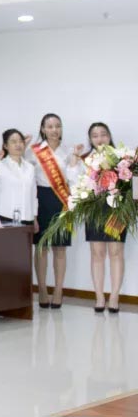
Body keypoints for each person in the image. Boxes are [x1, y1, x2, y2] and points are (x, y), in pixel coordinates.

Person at [26, 113, 82, 309]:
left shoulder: (69, 151)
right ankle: (42, 289)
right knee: (41, 247)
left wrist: (76, 159)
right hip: (40, 199)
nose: (54, 130)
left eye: (57, 126)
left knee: (60, 248)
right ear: (42, 129)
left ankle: (58, 290)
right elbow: (25, 177)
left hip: (62, 201)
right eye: (49, 126)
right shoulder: (33, 151)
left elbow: (74, 179)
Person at [0, 128, 39, 291]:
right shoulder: (1, 165)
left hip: (26, 218)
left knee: (24, 260)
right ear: (5, 145)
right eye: (13, 142)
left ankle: (22, 295)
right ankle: (5, 293)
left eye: (20, 141)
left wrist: (35, 217)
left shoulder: (30, 167)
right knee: (7, 259)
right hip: (6, 218)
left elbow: (34, 194)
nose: (18, 145)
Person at [83, 122, 125, 313]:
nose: (100, 139)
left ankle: (114, 297)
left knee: (116, 253)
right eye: (95, 135)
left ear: (109, 136)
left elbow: (134, 184)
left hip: (116, 210)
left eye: (103, 134)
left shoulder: (122, 157)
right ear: (90, 139)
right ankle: (99, 297)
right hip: (94, 210)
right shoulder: (86, 160)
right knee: (97, 253)